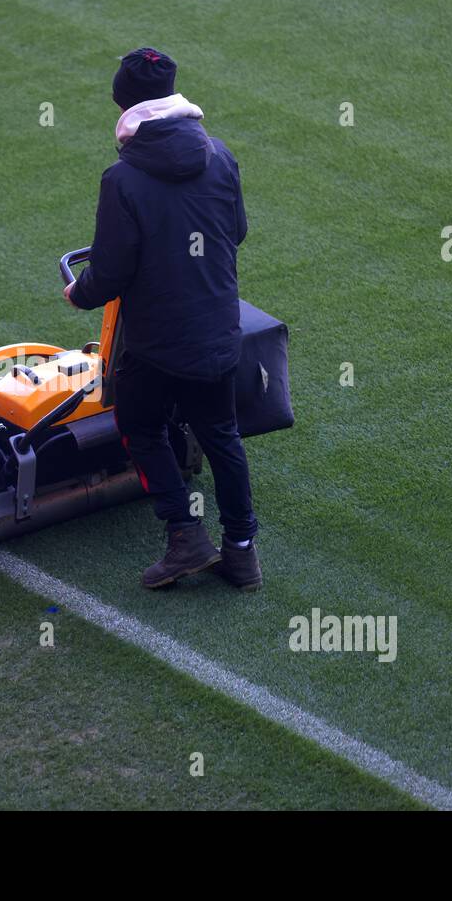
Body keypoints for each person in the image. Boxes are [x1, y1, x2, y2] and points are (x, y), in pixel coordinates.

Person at [64, 47, 262, 592]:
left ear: (124, 106)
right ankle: (242, 552)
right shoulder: (221, 156)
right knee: (221, 435)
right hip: (220, 332)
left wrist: (78, 294)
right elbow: (237, 230)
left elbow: (110, 274)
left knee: (140, 425)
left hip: (156, 345)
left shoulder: (122, 180)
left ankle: (185, 535)